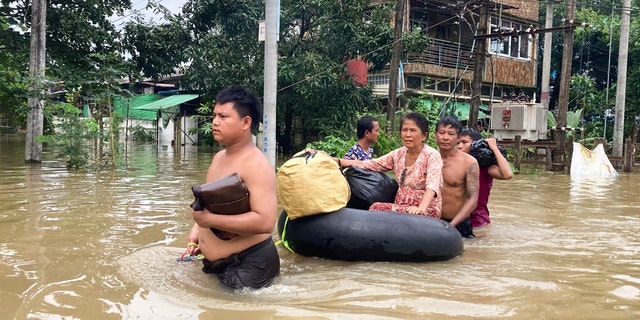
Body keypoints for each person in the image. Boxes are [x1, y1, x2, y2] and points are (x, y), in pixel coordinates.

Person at [185, 86, 280, 289]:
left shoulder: (257, 165)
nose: (215, 122)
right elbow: (209, 203)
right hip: (218, 264)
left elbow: (265, 222)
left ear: (246, 122)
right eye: (214, 116)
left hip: (250, 266)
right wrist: (197, 230)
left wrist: (208, 220)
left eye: (223, 116)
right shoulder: (219, 158)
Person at [338, 112, 443, 218]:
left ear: (424, 135)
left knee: (377, 208)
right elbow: (370, 164)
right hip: (401, 207)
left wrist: (421, 209)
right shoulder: (398, 154)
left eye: (413, 130)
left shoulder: (432, 155)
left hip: (424, 210)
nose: (408, 134)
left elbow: (432, 186)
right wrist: (337, 161)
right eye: (405, 130)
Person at [458, 128, 514, 228]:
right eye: (457, 143)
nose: (459, 146)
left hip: (477, 220)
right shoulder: (454, 165)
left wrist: (494, 148)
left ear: (476, 145)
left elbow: (508, 174)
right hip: (457, 217)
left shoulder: (485, 168)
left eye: (464, 142)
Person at [436, 116, 479, 239]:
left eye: (451, 134)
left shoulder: (469, 162)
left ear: (458, 137)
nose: (445, 137)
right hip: (432, 222)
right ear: (435, 135)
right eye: (441, 133)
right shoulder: (429, 159)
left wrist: (451, 226)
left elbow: (473, 200)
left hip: (458, 223)